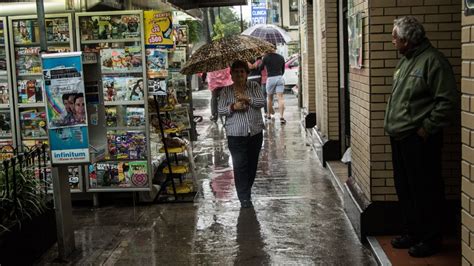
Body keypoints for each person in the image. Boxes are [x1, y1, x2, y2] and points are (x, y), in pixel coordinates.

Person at [384, 16, 458, 258]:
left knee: (426, 188)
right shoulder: (405, 62)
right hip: (400, 137)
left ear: (408, 40)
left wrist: (425, 130)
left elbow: (446, 103)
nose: (392, 40)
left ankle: (431, 238)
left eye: (396, 37)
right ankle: (413, 232)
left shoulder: (433, 61)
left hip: (419, 139)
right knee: (405, 188)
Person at [218, 60, 265, 208]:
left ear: (247, 74)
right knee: (239, 166)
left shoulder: (254, 86)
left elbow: (261, 102)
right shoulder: (226, 91)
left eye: (242, 72)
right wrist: (233, 107)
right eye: (236, 72)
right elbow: (220, 110)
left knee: (251, 166)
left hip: (255, 132)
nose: (239, 74)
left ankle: (246, 190)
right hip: (235, 134)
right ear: (231, 74)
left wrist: (248, 99)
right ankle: (244, 198)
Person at [259, 45, 286, 123]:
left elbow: (260, 68)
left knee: (269, 98)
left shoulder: (266, 57)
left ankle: (268, 115)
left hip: (270, 78)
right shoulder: (281, 57)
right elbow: (283, 70)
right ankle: (281, 117)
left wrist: (263, 58)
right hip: (280, 77)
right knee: (280, 98)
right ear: (275, 48)